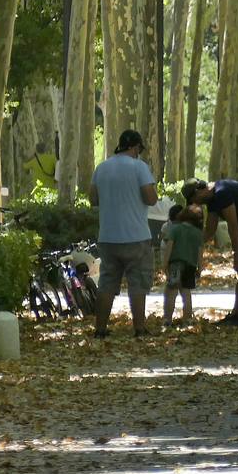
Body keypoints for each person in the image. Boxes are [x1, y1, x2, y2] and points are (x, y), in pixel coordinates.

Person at [89, 129, 159, 339]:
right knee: (138, 283)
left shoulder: (102, 168)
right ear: (136, 147)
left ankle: (100, 329)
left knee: (107, 283)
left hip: (108, 236)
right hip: (136, 235)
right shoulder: (139, 167)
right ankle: (139, 328)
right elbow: (151, 199)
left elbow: (93, 199)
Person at [182, 177, 238, 327]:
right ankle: (237, 313)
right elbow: (210, 230)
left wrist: (237, 253)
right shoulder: (212, 199)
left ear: (199, 191)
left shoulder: (222, 193)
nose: (195, 204)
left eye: (194, 199)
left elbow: (233, 224)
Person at [161, 204, 205, 328]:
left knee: (171, 292)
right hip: (190, 265)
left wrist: (165, 264)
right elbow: (200, 252)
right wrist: (200, 268)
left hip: (175, 264)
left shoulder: (175, 229)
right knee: (186, 292)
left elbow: (169, 246)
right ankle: (187, 319)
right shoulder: (198, 233)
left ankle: (167, 319)